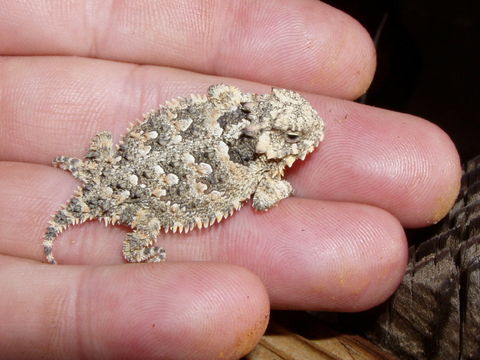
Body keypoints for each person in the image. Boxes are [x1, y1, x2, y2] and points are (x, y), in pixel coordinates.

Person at [0, 0, 461, 359]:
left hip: (122, 161)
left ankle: (92, 175)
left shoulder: (233, 102)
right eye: (296, 131)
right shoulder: (257, 161)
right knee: (143, 230)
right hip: (139, 196)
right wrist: (278, 185)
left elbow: (218, 93)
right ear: (274, 140)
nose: (311, 130)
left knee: (110, 149)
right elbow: (262, 201)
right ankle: (130, 242)